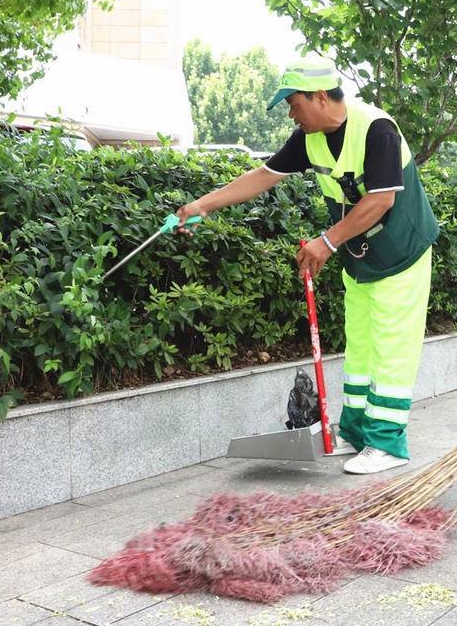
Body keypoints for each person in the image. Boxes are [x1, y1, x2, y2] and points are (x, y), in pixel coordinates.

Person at [176, 55, 440, 475]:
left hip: (402, 252)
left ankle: (388, 443)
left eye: (293, 102)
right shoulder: (308, 137)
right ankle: (356, 432)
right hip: (361, 256)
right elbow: (263, 176)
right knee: (360, 344)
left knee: (392, 346)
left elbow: (381, 199)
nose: (290, 112)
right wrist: (201, 206)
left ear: (320, 96)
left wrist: (327, 243)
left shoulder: (377, 129)